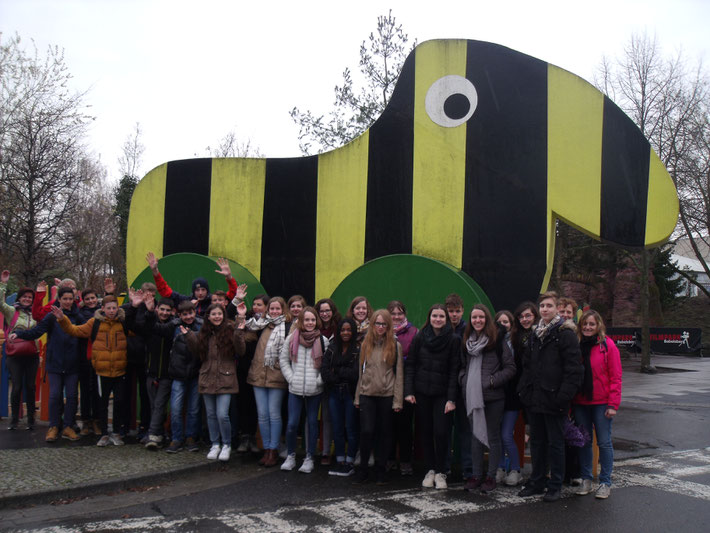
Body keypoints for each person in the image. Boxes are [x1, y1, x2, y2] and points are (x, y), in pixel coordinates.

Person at [517, 291, 583, 502]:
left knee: (556, 444)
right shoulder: (536, 334)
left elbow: (573, 370)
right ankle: (537, 481)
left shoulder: (565, 334)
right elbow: (527, 367)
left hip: (555, 400)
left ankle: (555, 484)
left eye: (549, 306)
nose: (545, 309)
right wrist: (524, 391)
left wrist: (562, 397)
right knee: (537, 442)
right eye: (542, 306)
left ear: (556, 309)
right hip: (535, 399)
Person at [53, 294, 131, 446]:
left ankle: (115, 432)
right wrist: (62, 319)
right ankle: (103, 433)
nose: (112, 311)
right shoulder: (94, 323)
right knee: (102, 404)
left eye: (114, 308)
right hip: (102, 371)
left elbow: (138, 330)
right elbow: (74, 330)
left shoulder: (123, 323)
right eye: (108, 308)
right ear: (103, 309)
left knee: (119, 402)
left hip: (120, 370)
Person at [12, 286, 86, 442]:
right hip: (55, 362)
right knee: (54, 396)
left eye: (70, 299)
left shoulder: (78, 316)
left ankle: (67, 426)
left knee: (72, 396)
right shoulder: (52, 316)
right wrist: (19, 333)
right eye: (64, 299)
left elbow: (86, 331)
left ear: (74, 300)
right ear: (59, 299)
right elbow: (36, 332)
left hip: (73, 363)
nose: (67, 302)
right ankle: (53, 426)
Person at [461, 305, 516, 492]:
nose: (477, 320)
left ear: (487, 319)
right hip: (471, 395)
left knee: (492, 437)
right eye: (474, 317)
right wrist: (464, 380)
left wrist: (491, 381)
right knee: (475, 437)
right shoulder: (467, 341)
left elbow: (510, 368)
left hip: (493, 398)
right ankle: (476, 475)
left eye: (481, 317)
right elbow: (461, 366)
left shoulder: (497, 340)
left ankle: (491, 477)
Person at [182, 302, 246, 462]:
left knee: (222, 414)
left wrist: (239, 332)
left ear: (223, 316)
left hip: (226, 377)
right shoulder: (204, 333)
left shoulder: (230, 330)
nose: (217, 317)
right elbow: (196, 352)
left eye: (219, 314)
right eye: (213, 314)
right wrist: (189, 336)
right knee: (210, 415)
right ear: (208, 317)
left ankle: (226, 444)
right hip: (207, 377)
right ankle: (214, 444)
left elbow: (241, 350)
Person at [405, 304, 460, 490]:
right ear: (430, 318)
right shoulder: (420, 337)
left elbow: (454, 370)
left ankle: (441, 471)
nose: (438, 319)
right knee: (426, 433)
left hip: (442, 395)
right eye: (435, 316)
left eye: (441, 316)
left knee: (442, 433)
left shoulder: (453, 339)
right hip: (422, 393)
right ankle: (429, 470)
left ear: (446, 319)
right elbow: (411, 364)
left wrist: (451, 399)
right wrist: (409, 391)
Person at [573, 310, 622, 499]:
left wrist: (613, 404)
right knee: (584, 442)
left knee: (603, 442)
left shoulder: (607, 346)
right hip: (580, 401)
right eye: (585, 324)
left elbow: (616, 377)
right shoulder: (576, 345)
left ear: (598, 325)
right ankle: (586, 479)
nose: (587, 327)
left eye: (591, 324)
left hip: (602, 403)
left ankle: (605, 482)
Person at [146, 298, 204, 453]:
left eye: (190, 313)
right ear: (179, 315)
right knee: (176, 408)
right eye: (184, 314)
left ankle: (191, 438)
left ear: (194, 312)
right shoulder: (174, 326)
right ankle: (176, 439)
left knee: (193, 409)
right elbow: (155, 328)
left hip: (195, 373)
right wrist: (151, 311)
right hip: (177, 374)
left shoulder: (201, 325)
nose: (188, 317)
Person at [353, 309, 403, 485]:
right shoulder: (365, 344)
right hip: (367, 394)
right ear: (372, 324)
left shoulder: (395, 345)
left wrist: (397, 400)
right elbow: (361, 372)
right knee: (366, 432)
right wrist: (358, 397)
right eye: (377, 323)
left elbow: (399, 375)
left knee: (384, 434)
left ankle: (381, 470)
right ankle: (363, 469)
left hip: (386, 395)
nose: (380, 327)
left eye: (384, 324)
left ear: (388, 326)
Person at [280, 307, 327, 474]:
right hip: (295, 389)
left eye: (312, 320)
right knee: (292, 424)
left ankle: (309, 458)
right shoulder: (292, 338)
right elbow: (284, 360)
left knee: (313, 423)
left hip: (315, 391)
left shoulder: (323, 340)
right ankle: (291, 456)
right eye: (306, 320)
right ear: (301, 321)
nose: (309, 323)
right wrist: (291, 379)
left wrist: (318, 381)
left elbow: (327, 365)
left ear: (317, 322)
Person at [497, 302, 539, 486]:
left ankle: (515, 469)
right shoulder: (493, 341)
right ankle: (499, 467)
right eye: (499, 321)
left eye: (506, 321)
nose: (503, 324)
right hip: (496, 395)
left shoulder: (516, 340)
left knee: (506, 434)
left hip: (513, 395)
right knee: (496, 435)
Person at [126, 297, 176, 449]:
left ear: (172, 312)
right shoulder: (149, 326)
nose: (165, 313)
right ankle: (161, 434)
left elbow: (165, 332)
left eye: (168, 310)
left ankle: (153, 436)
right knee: (154, 406)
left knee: (160, 405)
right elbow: (129, 325)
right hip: (151, 372)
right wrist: (134, 307)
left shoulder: (174, 326)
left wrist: (149, 315)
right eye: (162, 309)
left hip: (167, 374)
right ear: (157, 309)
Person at [245, 296, 289, 467]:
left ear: (283, 310)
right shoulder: (260, 325)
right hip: (258, 375)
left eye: (278, 309)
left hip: (276, 376)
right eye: (272, 309)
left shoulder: (287, 326)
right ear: (267, 310)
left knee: (274, 413)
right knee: (262, 415)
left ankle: (274, 449)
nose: (275, 311)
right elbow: (243, 329)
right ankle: (267, 449)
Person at [321, 317, 360, 476]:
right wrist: (338, 374)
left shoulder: (358, 349)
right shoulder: (331, 348)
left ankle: (350, 461)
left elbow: (355, 374)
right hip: (334, 393)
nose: (345, 333)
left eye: (349, 330)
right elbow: (324, 371)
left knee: (350, 428)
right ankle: (339, 460)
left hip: (350, 393)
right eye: (343, 330)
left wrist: (336, 371)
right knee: (336, 428)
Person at [1, 270, 39, 430]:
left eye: (30, 297)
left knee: (30, 386)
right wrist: (3, 284)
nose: (27, 299)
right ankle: (14, 420)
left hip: (31, 354)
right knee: (16, 387)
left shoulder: (35, 314)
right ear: (19, 298)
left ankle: (31, 420)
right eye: (24, 296)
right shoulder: (12, 311)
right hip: (14, 355)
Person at [234, 292, 267, 454]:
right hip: (243, 369)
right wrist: (238, 299)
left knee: (255, 406)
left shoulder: (269, 324)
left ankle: (253, 438)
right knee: (243, 403)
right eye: (254, 304)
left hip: (260, 370)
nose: (255, 307)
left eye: (259, 304)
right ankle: (244, 437)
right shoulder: (246, 321)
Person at [387, 300, 418, 475]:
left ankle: (406, 461)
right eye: (393, 313)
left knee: (405, 426)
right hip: (386, 385)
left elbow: (414, 359)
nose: (397, 317)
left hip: (406, 385)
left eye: (400, 313)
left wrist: (400, 361)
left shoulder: (414, 332)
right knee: (388, 425)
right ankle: (390, 459)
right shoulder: (382, 331)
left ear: (404, 314)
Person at [315, 298, 341, 465]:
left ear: (333, 311)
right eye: (321, 311)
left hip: (332, 378)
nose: (324, 314)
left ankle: (328, 452)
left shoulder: (339, 329)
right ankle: (319, 451)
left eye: (327, 310)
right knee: (312, 416)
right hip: (313, 377)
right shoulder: (313, 327)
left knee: (329, 416)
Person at [77, 288, 102, 436]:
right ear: (83, 301)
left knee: (97, 392)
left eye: (93, 298)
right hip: (85, 356)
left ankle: (97, 421)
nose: (91, 301)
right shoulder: (80, 314)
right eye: (87, 299)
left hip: (99, 355)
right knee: (86, 390)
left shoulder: (102, 312)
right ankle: (86, 421)